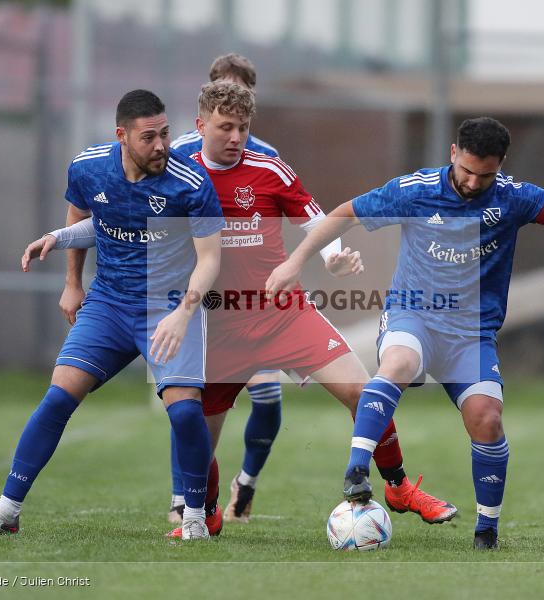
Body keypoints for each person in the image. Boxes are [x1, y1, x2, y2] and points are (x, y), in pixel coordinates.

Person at [29, 82, 458, 539]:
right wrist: (70, 263)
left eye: (244, 128)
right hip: (217, 326)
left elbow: (314, 217)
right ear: (200, 127)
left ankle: (399, 487)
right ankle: (207, 509)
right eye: (226, 127)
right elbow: (110, 218)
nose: (236, 137)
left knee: (362, 390)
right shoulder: (175, 174)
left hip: (281, 314)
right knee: (196, 426)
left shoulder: (269, 169)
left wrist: (333, 253)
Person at [265, 116, 544, 550]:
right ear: (453, 154)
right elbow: (344, 214)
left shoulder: (513, 198)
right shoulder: (415, 190)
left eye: (485, 174)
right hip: (413, 314)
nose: (473, 182)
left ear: (501, 164)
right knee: (398, 363)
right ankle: (357, 470)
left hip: (470, 333)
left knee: (487, 419)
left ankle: (486, 531)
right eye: (466, 170)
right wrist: (294, 262)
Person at [0, 90, 225, 541]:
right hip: (110, 303)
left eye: (166, 134)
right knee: (58, 398)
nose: (161, 145)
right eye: (149, 137)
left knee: (184, 413)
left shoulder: (189, 183)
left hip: (171, 305)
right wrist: (71, 277)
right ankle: (5, 511)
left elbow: (210, 259)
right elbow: (89, 218)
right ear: (122, 136)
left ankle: (194, 518)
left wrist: (184, 313)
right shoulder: (88, 166)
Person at [169, 53, 281, 525]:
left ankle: (246, 484)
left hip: (251, 301)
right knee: (196, 407)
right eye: (221, 90)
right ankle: (187, 498)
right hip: (198, 296)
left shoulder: (268, 159)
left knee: (268, 398)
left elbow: (284, 221)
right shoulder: (177, 152)